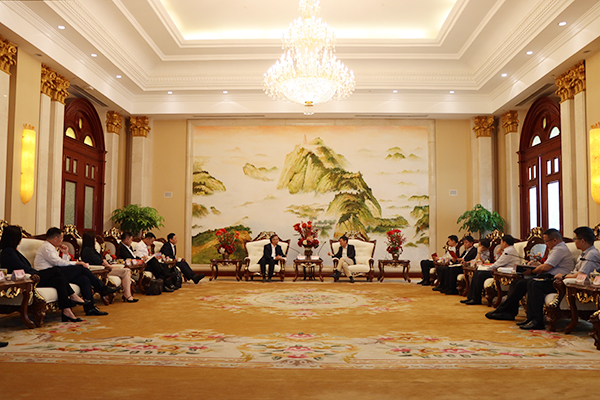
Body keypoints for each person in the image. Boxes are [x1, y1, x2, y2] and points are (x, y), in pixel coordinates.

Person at [486, 229, 574, 327]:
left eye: (546, 241)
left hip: (556, 281)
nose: (545, 244)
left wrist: (532, 271)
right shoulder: (556, 249)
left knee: (533, 284)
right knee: (518, 283)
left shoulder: (560, 249)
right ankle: (508, 312)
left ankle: (536, 320)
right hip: (549, 277)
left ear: (555, 240)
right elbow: (547, 265)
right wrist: (536, 265)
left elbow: (546, 267)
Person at [0, 225, 88, 322]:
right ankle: (72, 295)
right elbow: (22, 268)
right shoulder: (8, 252)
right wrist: (36, 273)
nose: (21, 239)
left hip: (32, 275)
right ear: (14, 238)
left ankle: (66, 311)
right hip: (28, 279)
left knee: (59, 280)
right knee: (56, 270)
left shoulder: (13, 251)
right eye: (20, 236)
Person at [34, 227, 118, 316]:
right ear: (55, 238)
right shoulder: (47, 247)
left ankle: (90, 308)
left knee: (84, 279)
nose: (62, 241)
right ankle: (103, 288)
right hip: (48, 275)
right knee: (81, 268)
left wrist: (65, 253)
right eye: (61, 238)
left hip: (56, 273)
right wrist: (76, 263)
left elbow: (61, 263)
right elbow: (58, 263)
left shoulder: (51, 247)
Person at [80, 230, 138, 303]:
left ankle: (127, 295)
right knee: (126, 271)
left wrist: (107, 264)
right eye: (94, 238)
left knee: (126, 270)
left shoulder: (90, 249)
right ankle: (128, 295)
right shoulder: (87, 251)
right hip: (100, 271)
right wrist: (106, 264)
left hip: (104, 268)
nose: (96, 240)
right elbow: (98, 261)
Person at [461, 235, 518, 305]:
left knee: (480, 274)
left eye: (501, 242)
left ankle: (476, 299)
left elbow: (498, 263)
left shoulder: (509, 251)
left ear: (505, 243)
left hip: (504, 272)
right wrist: (498, 253)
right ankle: (470, 297)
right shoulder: (508, 250)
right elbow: (498, 261)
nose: (500, 244)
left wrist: (487, 268)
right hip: (500, 270)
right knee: (477, 273)